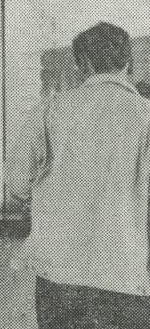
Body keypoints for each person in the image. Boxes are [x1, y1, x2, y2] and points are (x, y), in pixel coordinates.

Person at [13, 22, 150, 329]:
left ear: (82, 64)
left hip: (60, 276)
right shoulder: (146, 115)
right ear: (127, 62)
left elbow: (18, 182)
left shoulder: (50, 109)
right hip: (126, 275)